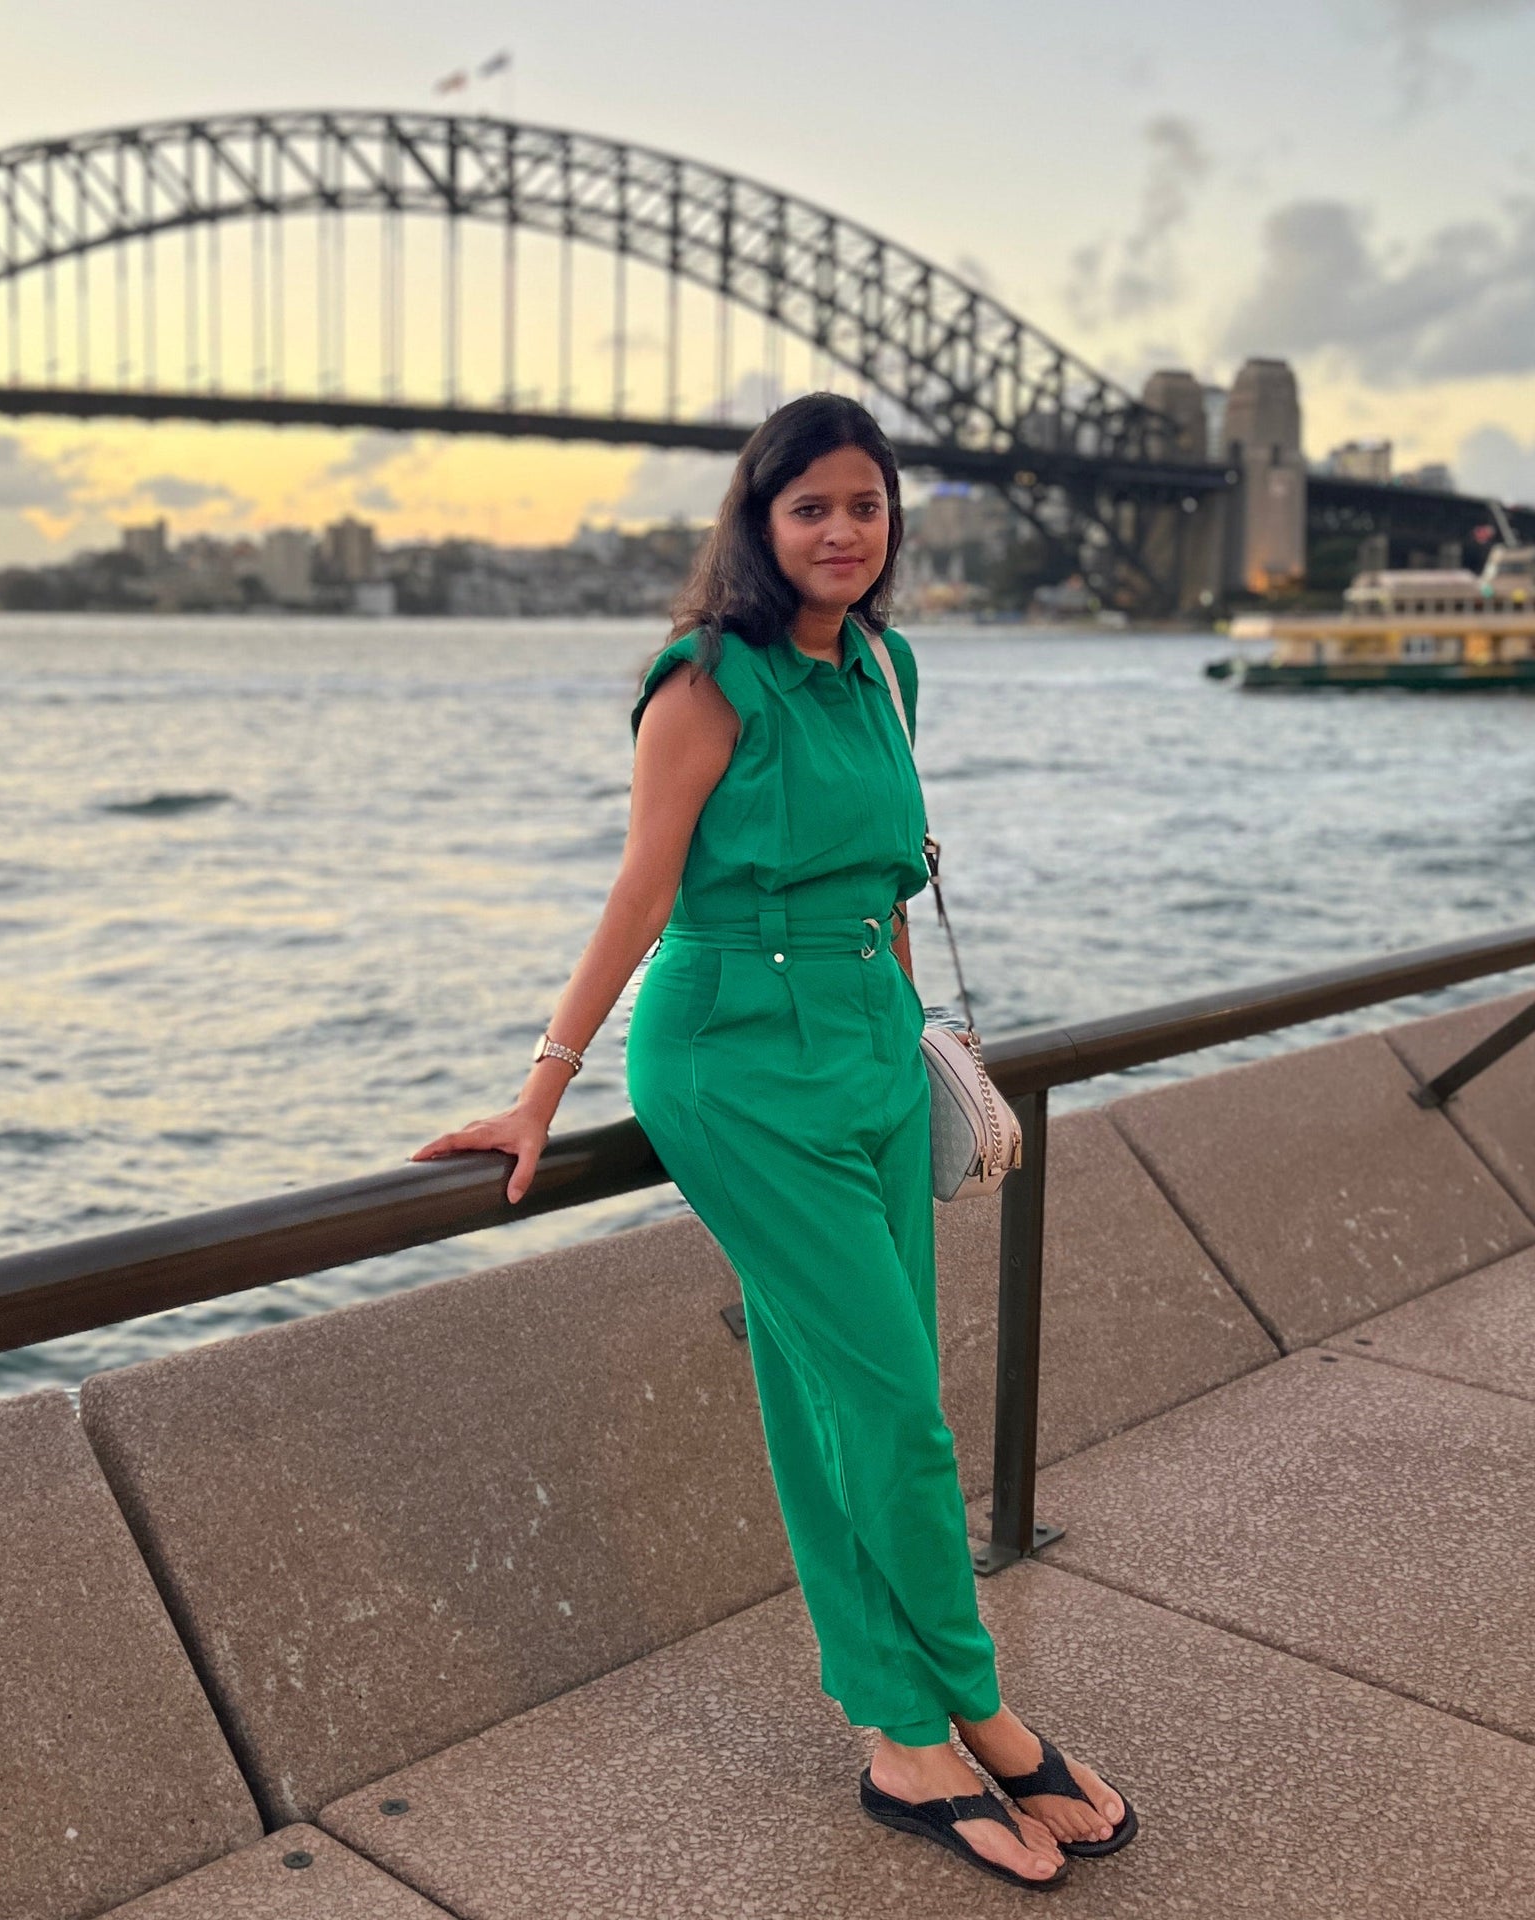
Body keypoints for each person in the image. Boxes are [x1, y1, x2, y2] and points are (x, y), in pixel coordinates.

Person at [409, 392, 1135, 1892]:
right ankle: (968, 1712)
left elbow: (890, 879)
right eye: (809, 507)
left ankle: (900, 1722)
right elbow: (640, 893)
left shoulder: (885, 664)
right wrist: (545, 1086)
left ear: (889, 527)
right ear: (760, 521)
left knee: (852, 1400)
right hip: (735, 1061)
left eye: (865, 506)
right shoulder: (705, 681)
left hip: (869, 1044)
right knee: (896, 1412)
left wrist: (920, 1044)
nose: (840, 532)